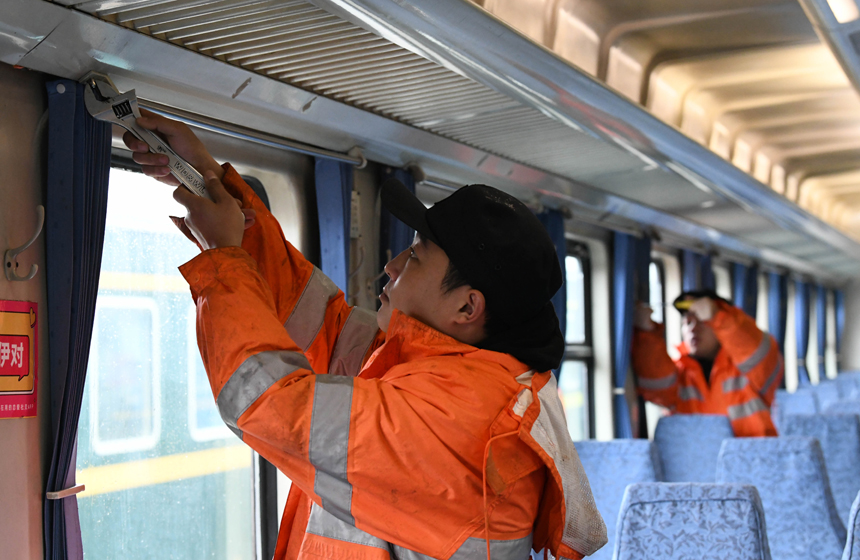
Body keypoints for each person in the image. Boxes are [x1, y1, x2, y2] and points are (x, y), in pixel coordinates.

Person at [123, 111, 606, 560]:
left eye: (415, 257)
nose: (391, 266)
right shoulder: (436, 365)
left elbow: (269, 404)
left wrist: (222, 256)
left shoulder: (468, 420)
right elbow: (313, 315)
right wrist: (210, 179)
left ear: (467, 306)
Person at [632, 289, 783, 437]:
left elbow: (755, 349)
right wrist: (646, 331)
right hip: (693, 461)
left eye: (702, 321)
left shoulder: (750, 370)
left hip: (751, 459)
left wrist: (718, 315)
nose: (693, 329)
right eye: (688, 322)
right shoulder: (679, 376)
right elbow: (653, 383)